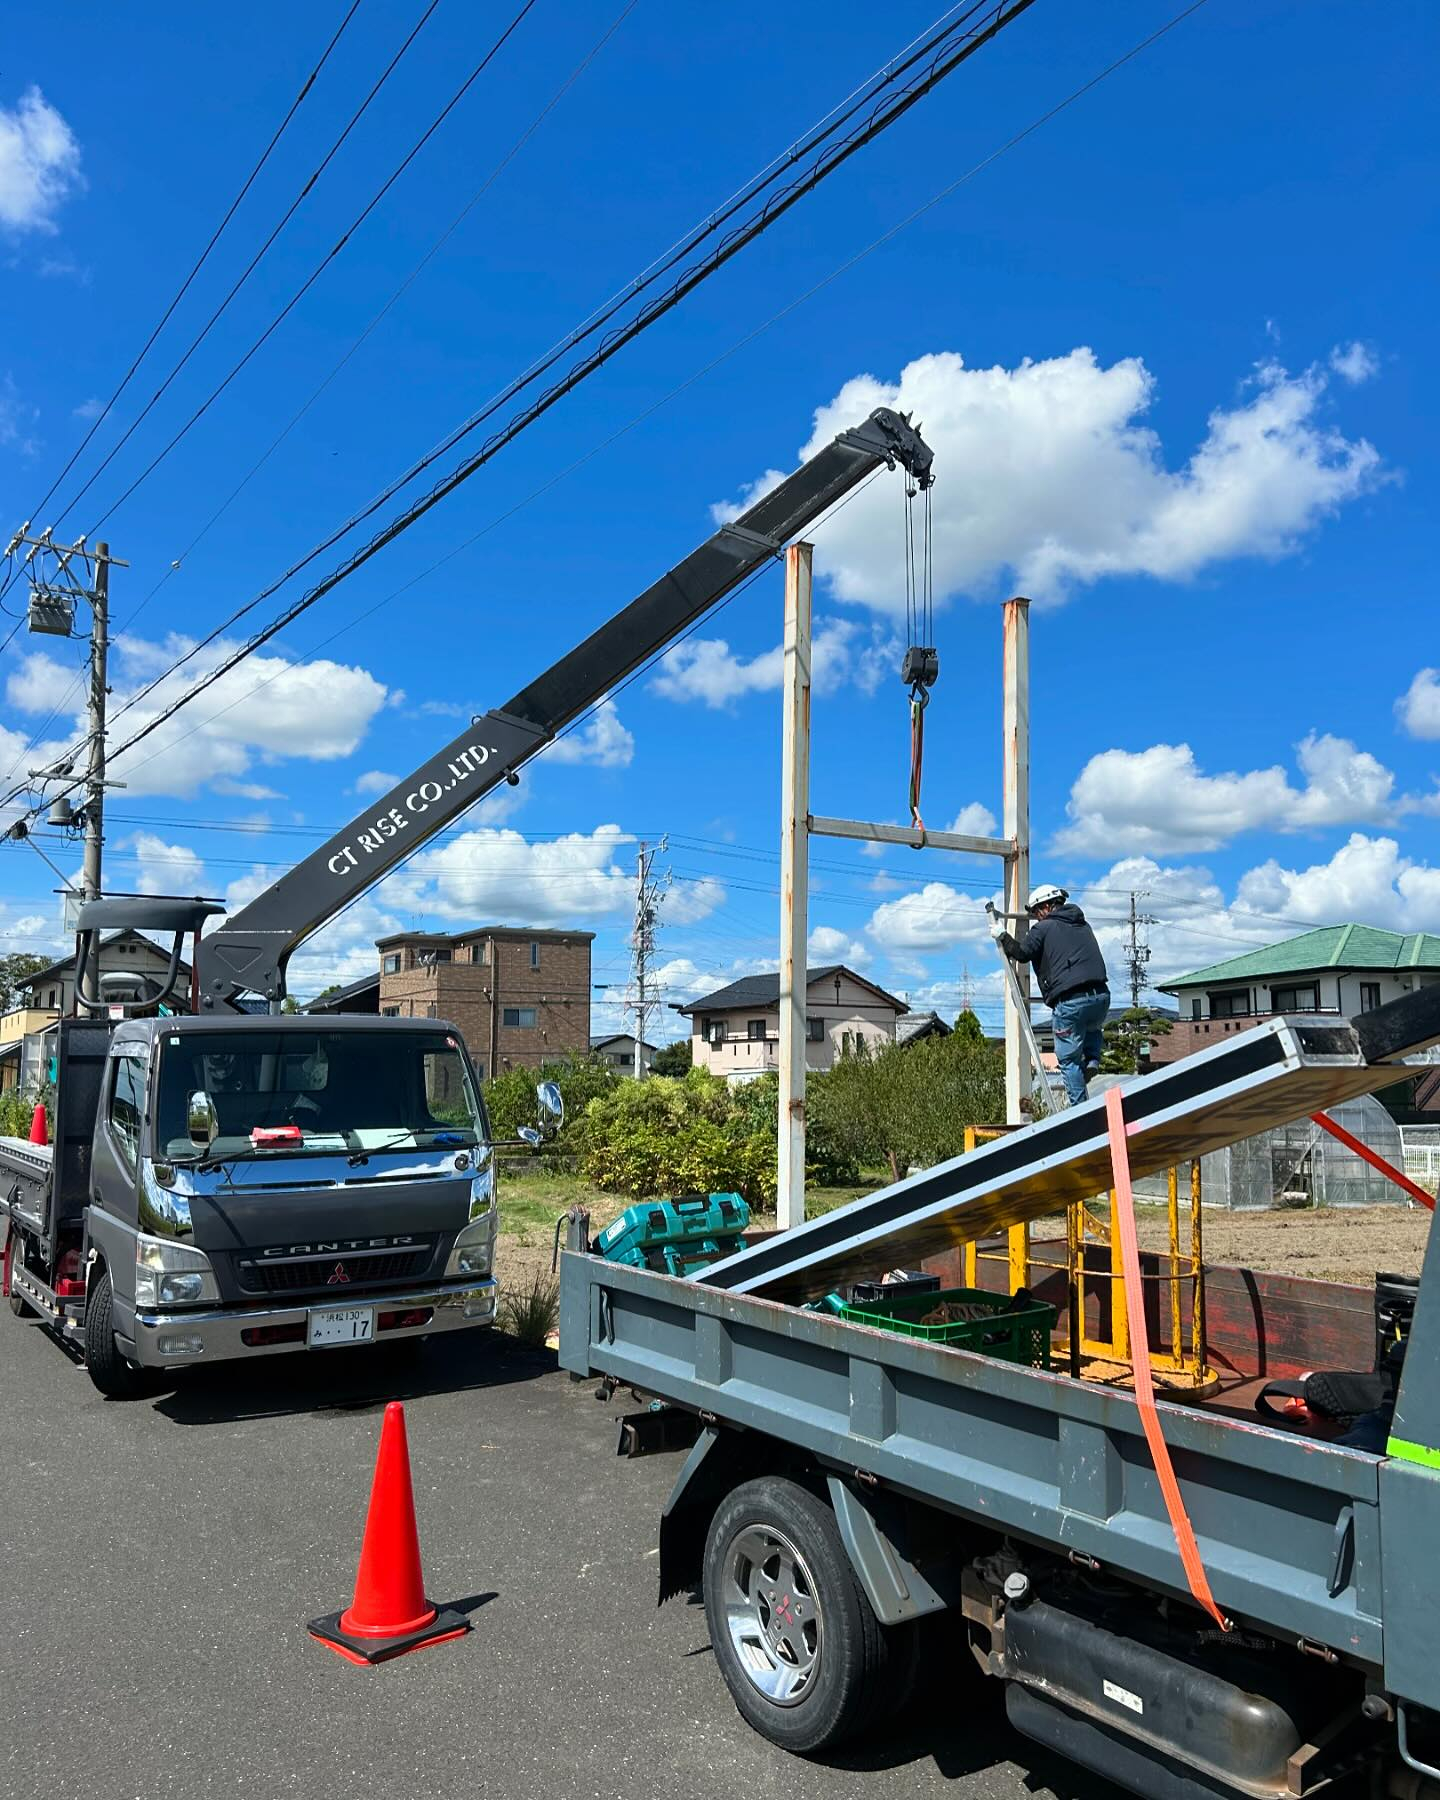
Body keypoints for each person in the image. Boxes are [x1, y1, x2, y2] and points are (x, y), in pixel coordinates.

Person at [992, 883, 1110, 1106]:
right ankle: (1093, 1059)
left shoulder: (1043, 928)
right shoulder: (1083, 925)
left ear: (1046, 906)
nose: (1036, 917)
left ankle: (1080, 1111)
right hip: (1101, 996)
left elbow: (1023, 953)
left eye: (1036, 912)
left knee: (1069, 1061)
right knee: (1092, 1026)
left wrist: (1003, 936)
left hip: (1070, 1001)